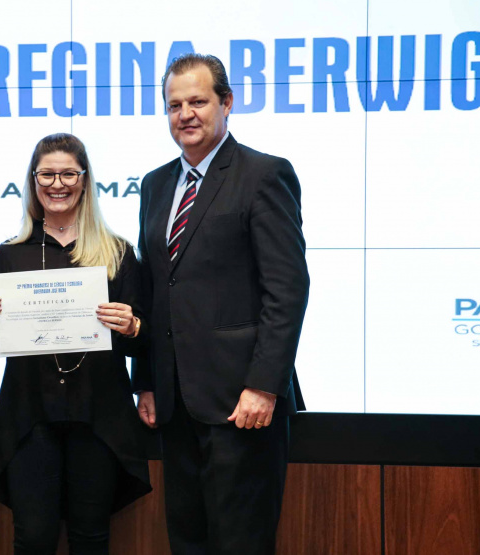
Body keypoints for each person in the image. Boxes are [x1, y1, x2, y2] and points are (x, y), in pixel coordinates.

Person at [133, 53, 310, 554]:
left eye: (198, 101)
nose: (185, 114)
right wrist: (145, 380)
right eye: (174, 105)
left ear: (227, 103)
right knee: (187, 541)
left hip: (242, 405)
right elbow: (154, 289)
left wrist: (263, 385)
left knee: (241, 544)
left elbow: (288, 288)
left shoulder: (264, 174)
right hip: (175, 406)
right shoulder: (155, 184)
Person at [0, 133, 152, 554]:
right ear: (33, 182)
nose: (58, 183)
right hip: (30, 419)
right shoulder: (10, 254)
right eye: (47, 174)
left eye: (68, 173)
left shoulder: (117, 252)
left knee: (91, 538)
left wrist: (132, 327)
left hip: (100, 417)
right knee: (33, 539)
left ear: (85, 180)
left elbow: (144, 342)